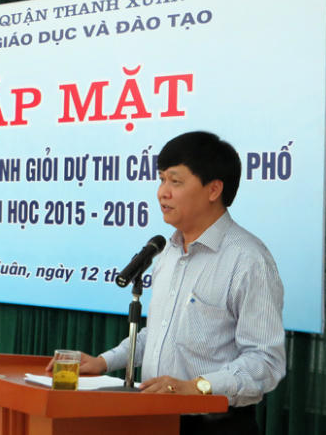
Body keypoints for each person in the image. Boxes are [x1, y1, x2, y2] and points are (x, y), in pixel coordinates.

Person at [49, 131, 285, 435]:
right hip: (155, 419)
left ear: (214, 189)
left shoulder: (248, 259)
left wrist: (197, 387)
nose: (163, 193)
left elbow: (265, 361)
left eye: (175, 181)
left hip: (215, 426)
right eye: (161, 180)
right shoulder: (168, 252)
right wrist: (103, 362)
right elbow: (158, 334)